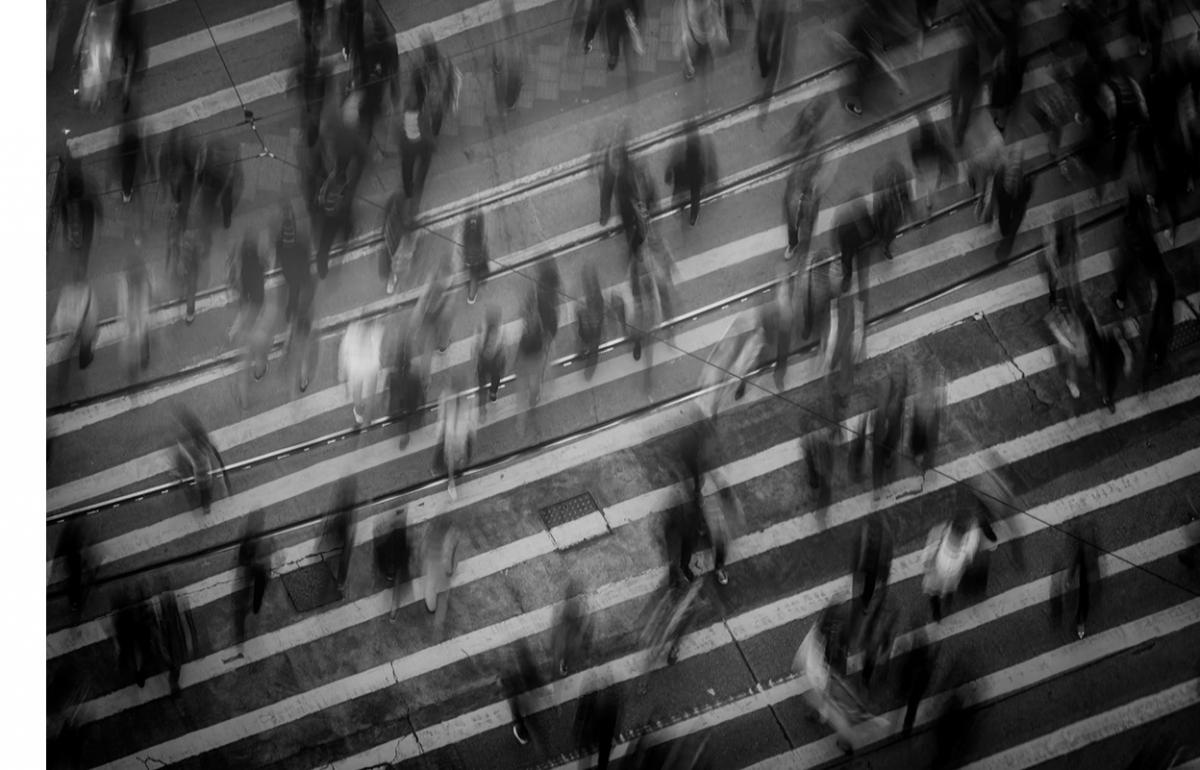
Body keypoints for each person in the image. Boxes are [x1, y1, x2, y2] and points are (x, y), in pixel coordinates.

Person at [173, 409, 231, 513]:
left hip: (200, 465)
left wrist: (223, 486)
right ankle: (206, 502)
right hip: (199, 459)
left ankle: (206, 504)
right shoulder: (195, 435)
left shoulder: (195, 445)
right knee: (203, 480)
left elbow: (208, 465)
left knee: (204, 483)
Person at [665, 121, 716, 226]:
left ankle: (688, 213)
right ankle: (690, 215)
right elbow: (695, 198)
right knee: (691, 190)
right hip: (693, 173)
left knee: (686, 189)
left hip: (691, 173)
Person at [433, 388, 478, 500]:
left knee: (456, 457)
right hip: (453, 436)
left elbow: (442, 416)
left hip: (457, 435)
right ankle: (451, 481)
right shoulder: (450, 396)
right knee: (453, 458)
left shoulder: (456, 399)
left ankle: (452, 479)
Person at [233, 511, 270, 646]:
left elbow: (242, 557)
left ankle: (253, 608)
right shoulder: (257, 536)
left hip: (254, 570)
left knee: (247, 596)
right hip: (257, 570)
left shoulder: (249, 536)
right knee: (255, 593)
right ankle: (255, 607)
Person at [339, 317, 383, 427]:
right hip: (371, 365)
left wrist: (342, 372)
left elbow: (343, 351)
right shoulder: (376, 329)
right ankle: (367, 418)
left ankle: (359, 413)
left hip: (357, 367)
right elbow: (378, 347)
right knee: (370, 393)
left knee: (357, 391)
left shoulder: (352, 330)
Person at [118, 250, 152, 378]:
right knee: (141, 335)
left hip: (136, 316)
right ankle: (143, 360)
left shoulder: (126, 279)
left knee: (136, 338)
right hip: (138, 315)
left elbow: (123, 300)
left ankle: (139, 362)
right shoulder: (142, 276)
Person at [277, 204, 312, 324]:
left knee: (294, 294)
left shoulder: (281, 244)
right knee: (297, 292)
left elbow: (280, 257)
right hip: (298, 272)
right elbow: (306, 258)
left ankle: (290, 314)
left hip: (291, 273)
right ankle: (293, 312)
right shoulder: (299, 244)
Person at [676, 0, 729, 81]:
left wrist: (719, 28)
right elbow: (682, 13)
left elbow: (716, 10)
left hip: (705, 36)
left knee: (704, 62)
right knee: (700, 60)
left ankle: (700, 68)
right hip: (697, 36)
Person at [872, 159, 912, 260]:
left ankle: (883, 242)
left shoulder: (882, 176)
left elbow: (905, 195)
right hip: (887, 207)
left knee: (888, 228)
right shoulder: (893, 179)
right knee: (889, 228)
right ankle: (884, 243)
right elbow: (905, 195)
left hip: (889, 208)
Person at [783, 160, 820, 261]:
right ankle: (793, 244)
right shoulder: (795, 176)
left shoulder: (813, 181)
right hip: (796, 201)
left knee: (807, 228)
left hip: (808, 201)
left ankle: (804, 250)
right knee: (793, 225)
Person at [475, 308, 506, 416]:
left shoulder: (483, 327)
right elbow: (502, 346)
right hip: (495, 361)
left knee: (482, 380)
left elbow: (477, 342)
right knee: (495, 378)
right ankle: (493, 394)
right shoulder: (500, 330)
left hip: (484, 361)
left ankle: (482, 404)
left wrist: (477, 355)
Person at [577, 265, 607, 379]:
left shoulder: (591, 335)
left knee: (592, 293)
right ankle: (588, 274)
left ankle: (587, 274)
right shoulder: (592, 336)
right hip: (594, 319)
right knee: (593, 293)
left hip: (593, 321)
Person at [460, 206, 489, 304]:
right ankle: (470, 216)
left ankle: (472, 296)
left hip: (472, 257)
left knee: (473, 274)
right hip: (475, 256)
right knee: (475, 274)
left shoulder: (468, 225)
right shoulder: (478, 223)